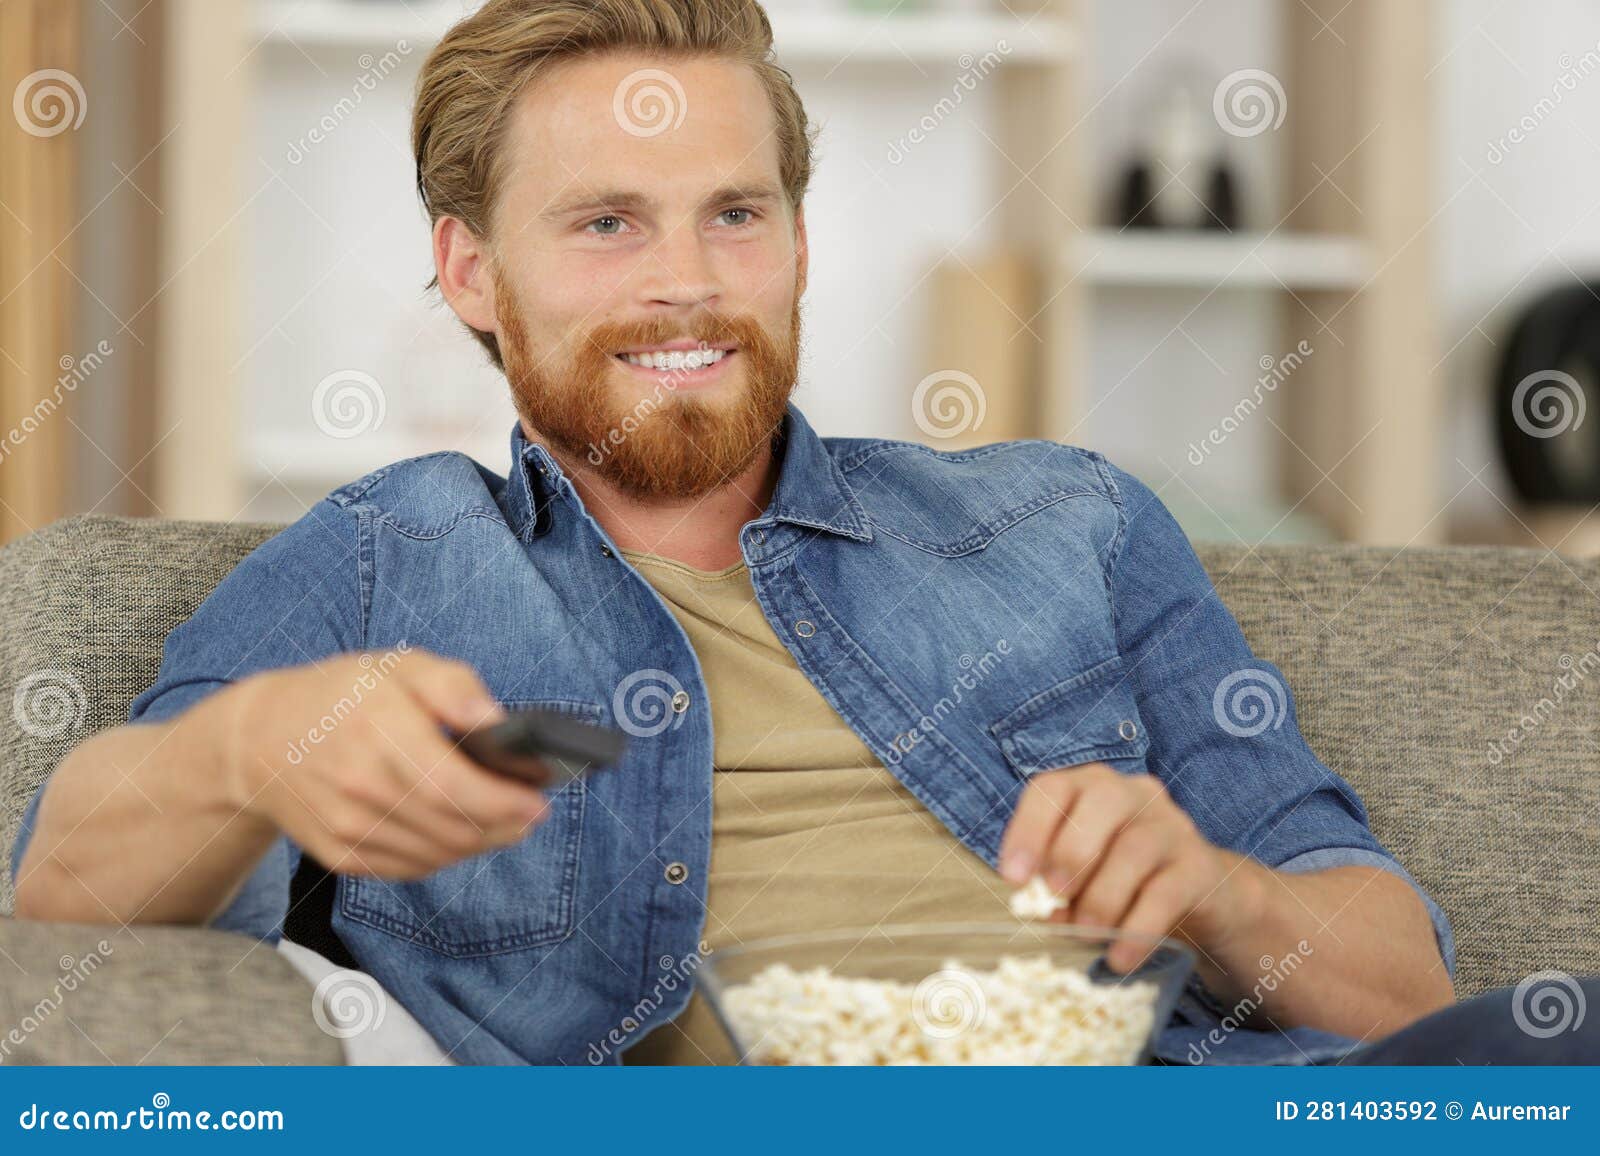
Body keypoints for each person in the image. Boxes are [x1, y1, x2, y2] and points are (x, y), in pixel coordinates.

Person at [8, 0, 1593, 1066]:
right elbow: (63, 919)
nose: (689, 279)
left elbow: (1410, 994)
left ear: (799, 240)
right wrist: (247, 753)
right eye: (607, 222)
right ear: (476, 274)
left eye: (736, 213)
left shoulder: (1069, 520)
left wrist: (1211, 892)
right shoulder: (392, 560)